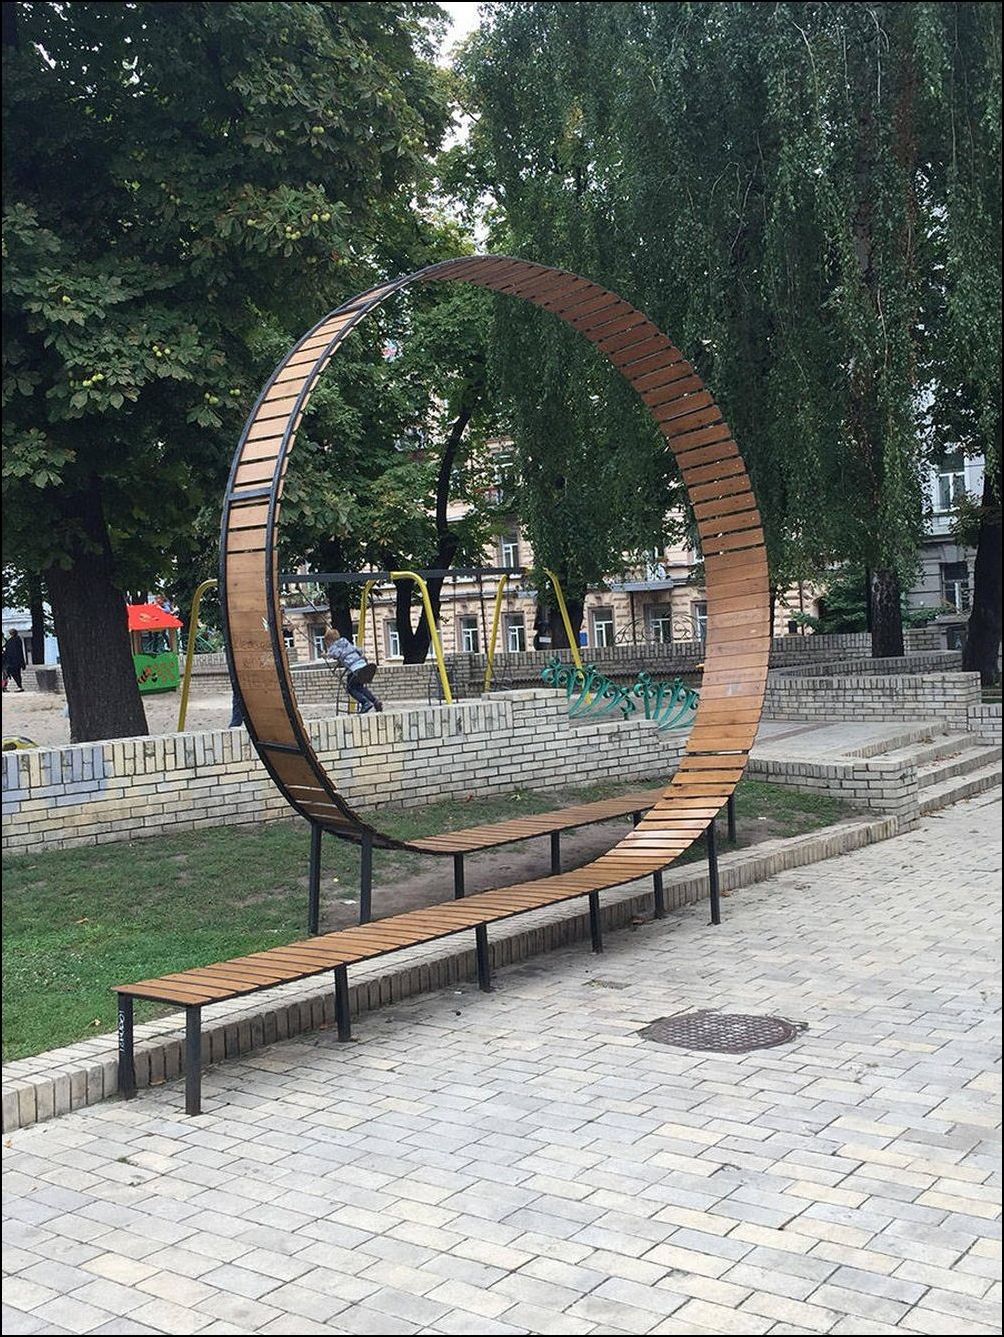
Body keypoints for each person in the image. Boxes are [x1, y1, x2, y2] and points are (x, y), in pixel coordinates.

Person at [323, 627, 383, 713]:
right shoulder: (346, 643)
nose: (328, 646)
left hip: (354, 669)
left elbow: (335, 654)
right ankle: (375, 701)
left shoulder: (334, 646)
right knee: (359, 687)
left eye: (327, 644)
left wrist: (326, 655)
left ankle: (365, 703)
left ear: (330, 641)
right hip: (363, 665)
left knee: (350, 688)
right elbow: (358, 650)